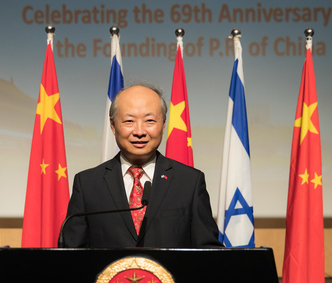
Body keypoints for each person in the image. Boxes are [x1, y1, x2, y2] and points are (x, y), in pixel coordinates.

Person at [60, 83, 222, 248]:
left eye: (149, 121)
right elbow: (72, 253)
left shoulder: (189, 182)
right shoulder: (87, 184)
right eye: (129, 121)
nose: (139, 132)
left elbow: (208, 251)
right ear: (113, 125)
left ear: (163, 124)